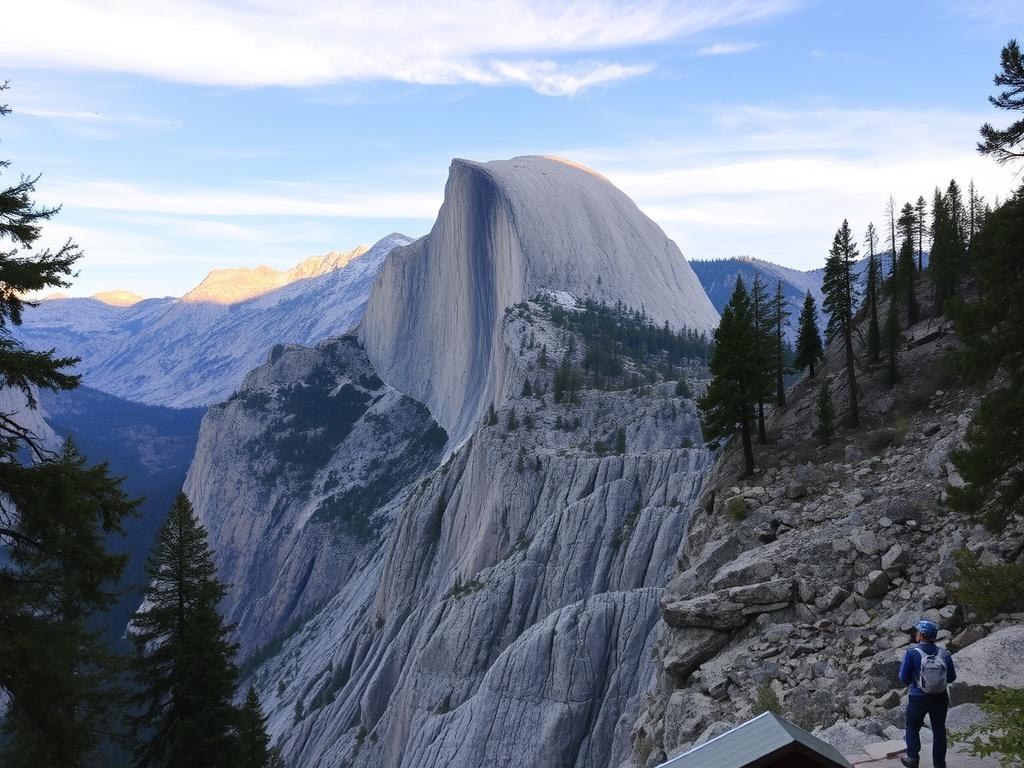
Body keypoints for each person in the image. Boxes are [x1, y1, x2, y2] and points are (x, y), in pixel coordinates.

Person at [898, 619, 956, 768]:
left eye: (917, 632)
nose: (916, 634)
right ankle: (939, 764)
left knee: (912, 726)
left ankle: (912, 758)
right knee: (939, 731)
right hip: (940, 697)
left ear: (921, 635)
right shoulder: (944, 654)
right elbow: (951, 678)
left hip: (918, 697)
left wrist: (915, 681)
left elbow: (903, 678)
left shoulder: (912, 653)